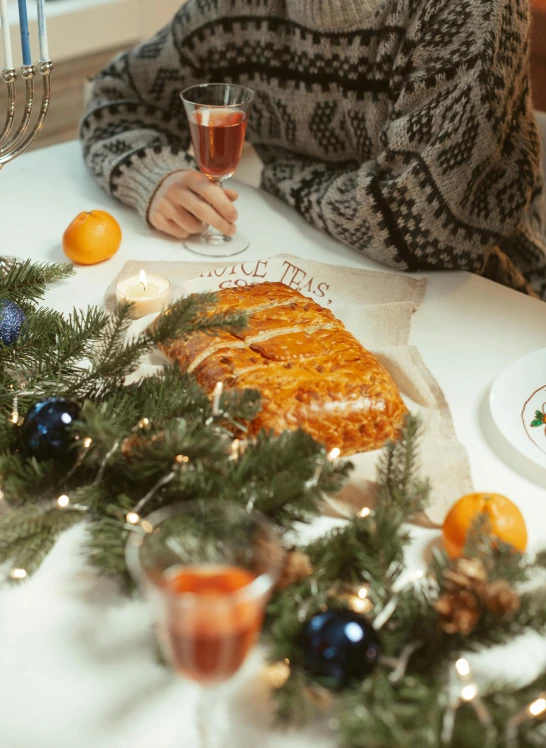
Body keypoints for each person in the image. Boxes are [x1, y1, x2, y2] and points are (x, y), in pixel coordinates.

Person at [81, 0, 546, 299]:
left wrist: (282, 181)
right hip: (308, 272)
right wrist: (156, 177)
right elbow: (115, 97)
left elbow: (426, 229)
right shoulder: (228, 10)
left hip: (488, 298)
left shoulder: (469, 8)